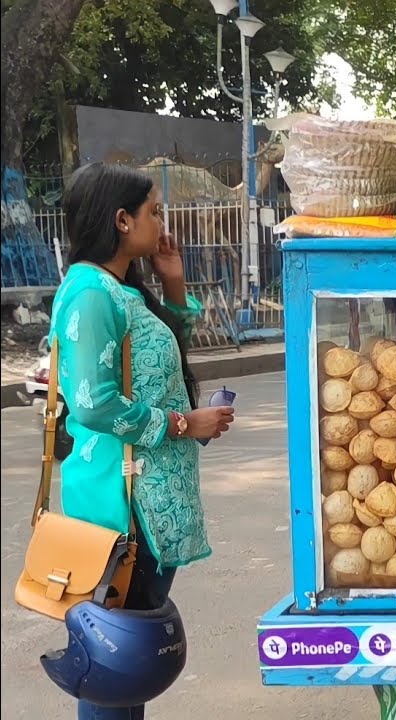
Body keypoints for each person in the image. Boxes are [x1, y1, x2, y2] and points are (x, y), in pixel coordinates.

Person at [50, 162, 234, 719]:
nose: (163, 219)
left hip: (151, 504)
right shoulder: (87, 291)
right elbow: (92, 402)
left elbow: (156, 362)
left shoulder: (118, 287)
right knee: (113, 667)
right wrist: (184, 425)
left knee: (130, 667)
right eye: (154, 210)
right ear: (122, 219)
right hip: (122, 508)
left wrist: (173, 280)